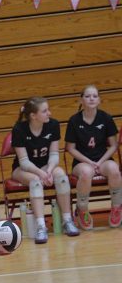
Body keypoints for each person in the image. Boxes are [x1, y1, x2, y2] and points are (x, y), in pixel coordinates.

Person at [11, 96, 80, 244]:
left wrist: (48, 170)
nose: (49, 113)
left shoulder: (53, 125)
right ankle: (40, 226)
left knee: (61, 176)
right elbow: (23, 162)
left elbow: (54, 154)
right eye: (45, 111)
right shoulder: (19, 129)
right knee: (36, 181)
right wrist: (41, 174)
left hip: (45, 166)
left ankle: (67, 220)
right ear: (33, 116)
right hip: (23, 169)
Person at [65, 85, 122, 229]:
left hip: (102, 160)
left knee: (114, 169)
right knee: (86, 173)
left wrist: (100, 162)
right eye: (88, 96)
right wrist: (89, 162)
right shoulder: (74, 121)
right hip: (82, 162)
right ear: (81, 100)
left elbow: (114, 145)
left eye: (95, 96)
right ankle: (82, 210)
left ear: (99, 100)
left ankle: (116, 207)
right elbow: (70, 148)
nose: (91, 99)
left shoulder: (106, 118)